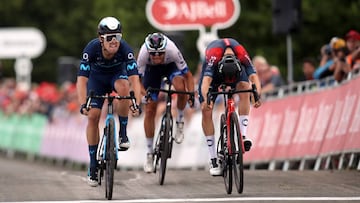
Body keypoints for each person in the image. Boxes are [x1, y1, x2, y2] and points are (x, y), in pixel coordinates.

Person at [76, 17, 142, 186]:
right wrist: (83, 104)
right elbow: (82, 81)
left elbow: (135, 79)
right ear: (101, 38)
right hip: (96, 80)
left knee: (124, 88)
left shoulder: (125, 49)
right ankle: (92, 164)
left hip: (116, 77)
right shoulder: (91, 49)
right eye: (110, 37)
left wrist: (137, 103)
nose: (114, 41)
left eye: (117, 37)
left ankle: (123, 133)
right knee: (93, 116)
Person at [198, 38, 262, 176]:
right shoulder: (213, 57)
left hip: (236, 73)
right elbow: (205, 82)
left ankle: (242, 136)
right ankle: (213, 159)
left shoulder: (241, 53)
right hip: (215, 76)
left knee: (245, 88)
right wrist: (206, 99)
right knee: (206, 109)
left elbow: (254, 77)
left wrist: (257, 96)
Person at [137, 32, 195, 173]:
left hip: (170, 67)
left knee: (181, 88)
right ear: (149, 51)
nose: (157, 56)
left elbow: (188, 75)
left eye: (160, 53)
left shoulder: (172, 49)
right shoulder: (143, 54)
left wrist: (191, 94)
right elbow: (136, 81)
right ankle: (149, 153)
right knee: (150, 109)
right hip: (152, 72)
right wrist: (145, 95)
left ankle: (179, 121)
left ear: (165, 50)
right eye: (154, 54)